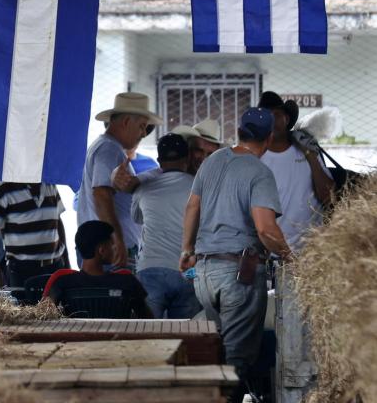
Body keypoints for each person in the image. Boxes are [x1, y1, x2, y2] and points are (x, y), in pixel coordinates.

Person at [180, 107, 292, 401]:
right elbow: (266, 230)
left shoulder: (213, 160)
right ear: (268, 139)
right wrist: (292, 258)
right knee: (236, 360)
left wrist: (187, 249)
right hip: (237, 274)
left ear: (239, 131)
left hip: (204, 273)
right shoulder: (259, 172)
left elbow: (192, 206)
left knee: (216, 349)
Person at [78, 92, 162, 270]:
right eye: (141, 126)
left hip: (107, 249)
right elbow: (101, 194)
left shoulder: (108, 147)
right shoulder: (108, 149)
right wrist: (117, 241)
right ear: (125, 122)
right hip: (108, 252)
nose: (142, 133)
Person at [131, 133, 202, 319]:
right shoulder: (198, 187)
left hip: (151, 268)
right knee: (185, 336)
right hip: (188, 271)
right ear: (187, 158)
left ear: (159, 161)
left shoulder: (144, 188)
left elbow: (137, 218)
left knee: (148, 335)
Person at [258, 91, 334, 253]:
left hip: (315, 250)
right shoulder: (256, 159)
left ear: (286, 118)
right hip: (277, 254)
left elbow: (329, 197)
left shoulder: (308, 150)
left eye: (276, 115)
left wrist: (309, 154)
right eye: (265, 116)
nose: (271, 120)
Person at [48, 220, 152, 318]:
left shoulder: (62, 282)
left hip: (74, 337)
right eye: (112, 243)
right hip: (119, 336)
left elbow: (43, 315)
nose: (115, 247)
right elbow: (148, 321)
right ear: (101, 250)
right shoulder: (126, 281)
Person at [0, 182, 68, 288]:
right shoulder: (4, 189)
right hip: (22, 272)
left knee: (59, 304)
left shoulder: (50, 184)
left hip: (54, 268)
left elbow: (58, 221)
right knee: (22, 304)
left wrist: (66, 262)